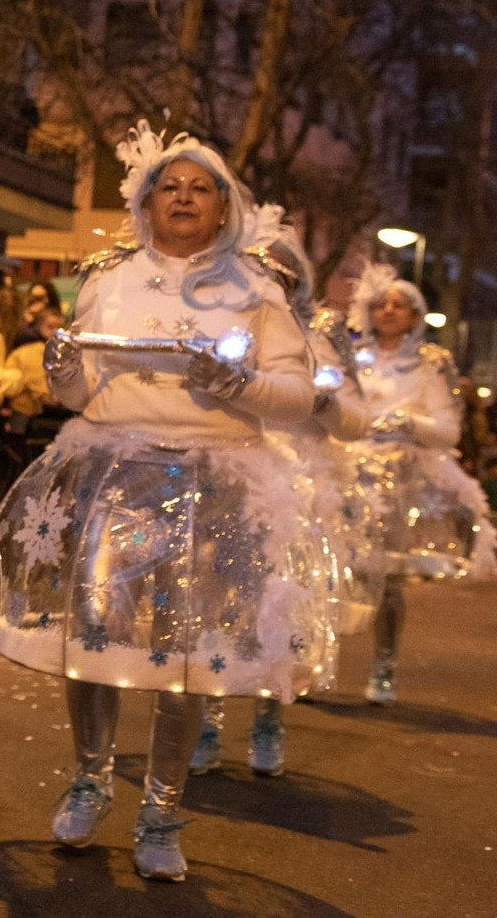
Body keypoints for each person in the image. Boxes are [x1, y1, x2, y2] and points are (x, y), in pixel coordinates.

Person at [0, 124, 317, 882]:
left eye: (199, 187)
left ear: (223, 206)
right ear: (145, 200)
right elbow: (80, 386)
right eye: (168, 185)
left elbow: (297, 394)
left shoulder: (257, 288)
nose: (182, 195)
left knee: (184, 654)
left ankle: (163, 809)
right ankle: (91, 776)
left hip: (217, 484)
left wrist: (238, 385)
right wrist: (61, 366)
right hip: (117, 471)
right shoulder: (110, 277)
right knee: (96, 632)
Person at [191, 214, 368, 778]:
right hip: (226, 475)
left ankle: (270, 714)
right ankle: (209, 717)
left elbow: (359, 419)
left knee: (277, 604)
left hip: (298, 490)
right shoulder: (224, 315)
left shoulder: (322, 331)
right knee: (212, 599)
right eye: (256, 264)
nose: (267, 276)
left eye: (279, 269)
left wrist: (326, 405)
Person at [344, 264, 496, 704]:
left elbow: (448, 429)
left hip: (400, 483)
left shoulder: (433, 362)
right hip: (346, 477)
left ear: (415, 315)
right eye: (380, 304)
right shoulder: (350, 357)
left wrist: (407, 421)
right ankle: (320, 667)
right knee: (335, 575)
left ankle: (384, 669)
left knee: (388, 578)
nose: (389, 311)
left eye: (399, 305)